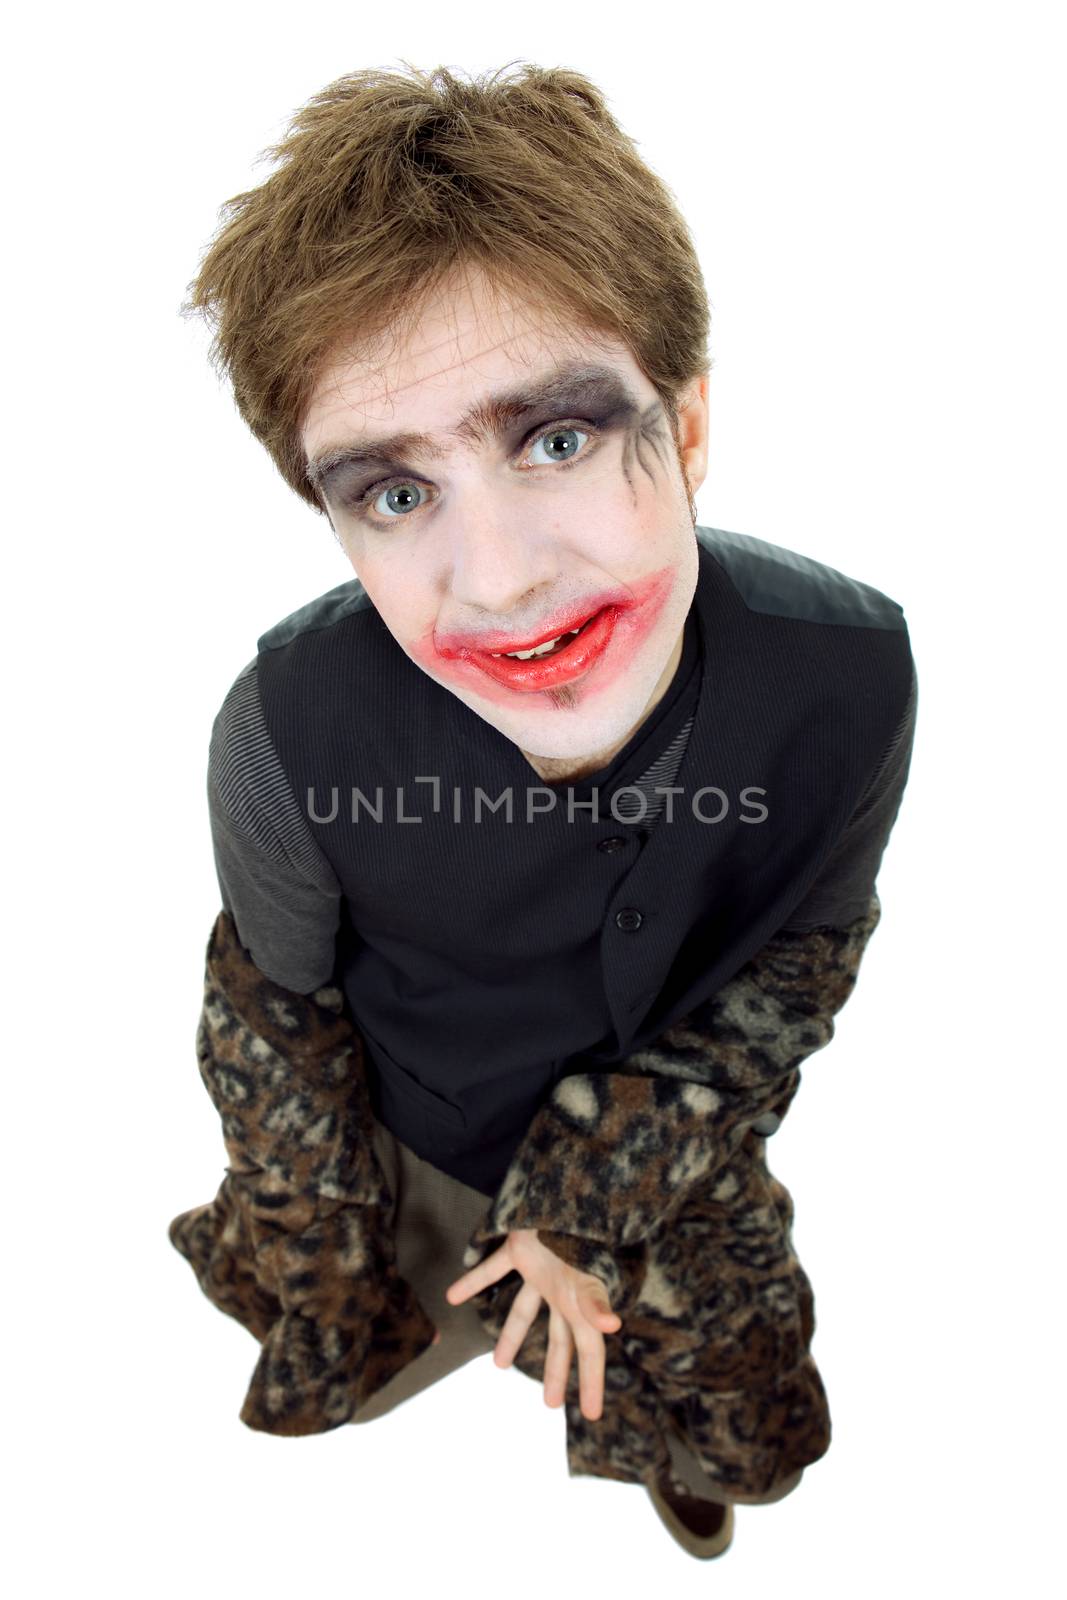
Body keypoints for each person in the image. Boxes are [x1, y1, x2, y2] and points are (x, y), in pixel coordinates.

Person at [172, 59, 916, 1561]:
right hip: (408, 1135)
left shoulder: (852, 674)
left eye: (556, 439)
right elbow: (271, 1030)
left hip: (664, 1138)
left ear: (686, 430)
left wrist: (583, 1205)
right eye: (392, 492)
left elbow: (799, 973)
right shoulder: (282, 732)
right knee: (348, 1339)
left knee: (749, 1421)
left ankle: (667, 1438)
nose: (498, 578)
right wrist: (331, 1273)